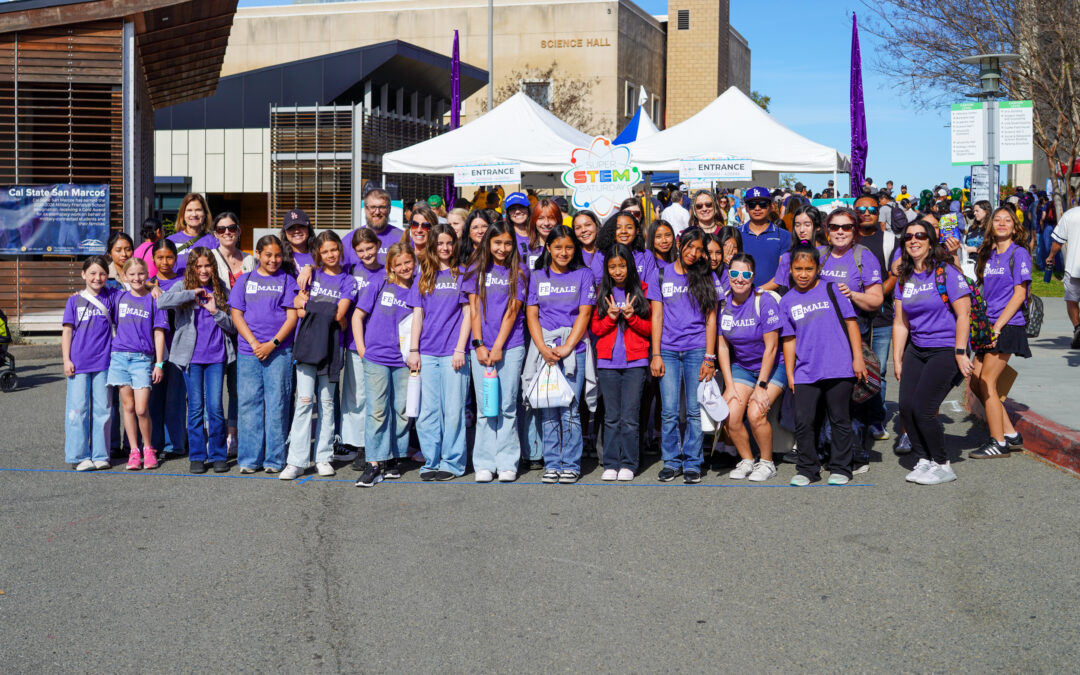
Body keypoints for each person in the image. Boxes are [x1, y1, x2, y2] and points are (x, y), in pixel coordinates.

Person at [892, 220, 973, 484]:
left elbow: (964, 314)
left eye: (920, 235)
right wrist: (898, 359)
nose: (913, 240)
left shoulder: (946, 272)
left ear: (930, 241)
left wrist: (960, 352)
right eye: (908, 237)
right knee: (906, 408)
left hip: (946, 348)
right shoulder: (904, 277)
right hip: (917, 349)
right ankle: (924, 459)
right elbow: (900, 323)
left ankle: (942, 464)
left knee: (924, 409)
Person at [780, 242, 867, 486]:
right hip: (805, 370)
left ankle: (841, 467)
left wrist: (857, 358)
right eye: (798, 269)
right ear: (790, 270)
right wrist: (790, 373)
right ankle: (807, 468)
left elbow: (851, 323)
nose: (803, 274)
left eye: (809, 269)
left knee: (839, 419)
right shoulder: (786, 301)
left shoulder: (833, 289)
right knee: (803, 421)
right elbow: (789, 339)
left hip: (838, 365)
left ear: (817, 268)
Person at [524, 225, 596, 484]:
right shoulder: (537, 276)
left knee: (570, 409)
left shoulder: (584, 274)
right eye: (558, 247)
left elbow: (585, 313)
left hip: (574, 350)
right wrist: (543, 348)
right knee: (548, 409)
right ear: (548, 248)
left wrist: (567, 348)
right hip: (544, 350)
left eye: (568, 247)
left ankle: (571, 464)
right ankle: (552, 463)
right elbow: (532, 314)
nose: (563, 252)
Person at [280, 232, 356, 480]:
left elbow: (338, 314)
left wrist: (310, 307)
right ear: (318, 254)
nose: (330, 255)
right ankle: (296, 461)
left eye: (334, 249)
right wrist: (320, 308)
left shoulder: (348, 280)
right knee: (303, 402)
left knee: (326, 403)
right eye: (325, 251)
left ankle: (323, 457)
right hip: (306, 345)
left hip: (332, 347)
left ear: (340, 250)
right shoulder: (311, 275)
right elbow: (297, 307)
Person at [646, 228, 718, 484]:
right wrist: (656, 353)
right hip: (667, 350)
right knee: (669, 411)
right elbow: (657, 316)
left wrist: (709, 357)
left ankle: (693, 462)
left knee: (694, 411)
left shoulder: (706, 275)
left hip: (696, 349)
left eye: (699, 250)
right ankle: (671, 461)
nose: (693, 253)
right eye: (689, 247)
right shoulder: (660, 274)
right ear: (679, 244)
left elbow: (711, 319)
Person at [158, 247, 236, 474]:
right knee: (195, 408)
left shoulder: (221, 289)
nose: (203, 270)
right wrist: (191, 293)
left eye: (207, 265)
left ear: (213, 266)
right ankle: (197, 455)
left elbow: (232, 326)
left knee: (215, 408)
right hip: (191, 359)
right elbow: (162, 301)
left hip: (216, 357)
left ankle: (218, 454)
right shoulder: (182, 286)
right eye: (198, 266)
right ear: (192, 267)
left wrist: (215, 311)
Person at [405, 224, 472, 481]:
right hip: (427, 353)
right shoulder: (424, 275)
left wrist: (460, 349)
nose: (445, 248)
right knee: (427, 412)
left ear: (455, 245)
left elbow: (468, 313)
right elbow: (418, 314)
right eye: (440, 243)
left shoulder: (462, 274)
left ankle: (452, 463)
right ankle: (431, 461)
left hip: (453, 353)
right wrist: (414, 350)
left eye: (449, 243)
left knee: (453, 411)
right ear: (432, 246)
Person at [464, 221, 528, 482]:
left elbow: (512, 311)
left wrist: (498, 346)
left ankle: (506, 462)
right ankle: (484, 462)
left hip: (510, 347)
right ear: (488, 243)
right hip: (481, 348)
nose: (502, 248)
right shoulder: (475, 269)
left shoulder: (519, 271)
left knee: (507, 405)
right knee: (485, 407)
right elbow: (474, 309)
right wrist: (479, 344)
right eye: (497, 242)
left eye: (508, 243)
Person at [230, 235, 299, 474]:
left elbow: (292, 317)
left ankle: (275, 459)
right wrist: (254, 343)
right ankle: (250, 459)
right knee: (249, 403)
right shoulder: (245, 280)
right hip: (249, 352)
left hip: (279, 351)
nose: (273, 259)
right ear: (258, 254)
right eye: (268, 254)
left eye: (278, 255)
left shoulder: (287, 280)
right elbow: (237, 314)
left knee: (277, 403)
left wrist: (272, 343)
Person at [969, 207, 1033, 458]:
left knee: (987, 382)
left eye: (1008, 220)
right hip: (987, 325)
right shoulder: (989, 254)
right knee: (976, 380)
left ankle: (998, 443)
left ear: (1015, 227)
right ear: (991, 225)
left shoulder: (1019, 254)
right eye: (998, 219)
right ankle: (1011, 434)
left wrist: (997, 328)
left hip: (1007, 325)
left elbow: (1020, 294)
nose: (1002, 223)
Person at [352, 242, 417, 487]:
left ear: (414, 262)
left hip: (402, 361)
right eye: (398, 264)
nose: (404, 267)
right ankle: (373, 462)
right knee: (377, 411)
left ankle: (393, 458)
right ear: (391, 266)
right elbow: (358, 316)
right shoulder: (380, 283)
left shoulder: (418, 288)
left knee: (401, 410)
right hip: (376, 358)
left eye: (408, 262)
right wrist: (362, 350)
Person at [716, 253, 785, 482]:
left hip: (772, 367)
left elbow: (772, 348)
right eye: (734, 273)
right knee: (730, 413)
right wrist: (729, 386)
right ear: (728, 275)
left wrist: (761, 386)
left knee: (755, 412)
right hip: (743, 367)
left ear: (753, 277)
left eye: (745, 274)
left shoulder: (763, 301)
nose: (739, 278)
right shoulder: (722, 303)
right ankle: (747, 459)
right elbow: (722, 347)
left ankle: (767, 463)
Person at [591, 243, 651, 481]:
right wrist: (610, 318)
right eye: (612, 266)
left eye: (622, 266)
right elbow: (595, 328)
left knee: (630, 417)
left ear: (630, 266)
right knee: (611, 417)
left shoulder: (643, 290)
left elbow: (651, 328)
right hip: (607, 363)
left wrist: (632, 318)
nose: (617, 271)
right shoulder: (601, 292)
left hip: (635, 363)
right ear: (607, 268)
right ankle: (611, 462)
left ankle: (628, 462)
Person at [106, 258, 167, 471]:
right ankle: (134, 450)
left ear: (147, 275)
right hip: (119, 357)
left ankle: (148, 448)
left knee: (141, 409)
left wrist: (159, 363)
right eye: (131, 274)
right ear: (124, 276)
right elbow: (96, 292)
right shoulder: (119, 297)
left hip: (142, 360)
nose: (136, 278)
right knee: (129, 407)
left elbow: (159, 333)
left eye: (141, 274)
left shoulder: (154, 299)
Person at [62, 256, 118, 471]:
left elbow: (135, 288)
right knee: (77, 411)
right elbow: (67, 332)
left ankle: (100, 455)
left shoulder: (112, 296)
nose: (97, 277)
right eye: (92, 273)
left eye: (102, 273)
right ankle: (79, 456)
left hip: (104, 362)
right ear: (83, 274)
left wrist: (153, 287)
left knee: (103, 410)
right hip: (78, 363)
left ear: (107, 276)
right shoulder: (73, 301)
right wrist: (66, 359)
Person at [852, 196, 898, 443]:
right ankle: (854, 419)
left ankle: (875, 420)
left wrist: (874, 297)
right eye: (861, 209)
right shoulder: (847, 237)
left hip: (881, 316)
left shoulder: (889, 240)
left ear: (878, 213)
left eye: (872, 209)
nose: (867, 212)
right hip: (850, 319)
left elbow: (895, 275)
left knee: (877, 370)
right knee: (851, 370)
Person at [210, 212, 255, 452]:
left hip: (244, 331)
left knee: (238, 389)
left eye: (232, 228)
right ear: (215, 233)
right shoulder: (209, 258)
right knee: (214, 390)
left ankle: (233, 434)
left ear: (238, 231)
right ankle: (214, 435)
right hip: (216, 331)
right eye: (222, 229)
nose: (227, 232)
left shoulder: (250, 260)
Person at [338, 228, 384, 466]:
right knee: (356, 395)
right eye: (360, 250)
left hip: (380, 343)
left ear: (378, 246)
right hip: (355, 343)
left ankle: (374, 443)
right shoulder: (351, 271)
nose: (366, 254)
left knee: (376, 397)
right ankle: (357, 444)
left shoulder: (388, 272)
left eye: (369, 248)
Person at [147, 239, 187, 459]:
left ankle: (175, 444)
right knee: (154, 397)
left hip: (179, 346)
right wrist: (149, 286)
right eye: (160, 257)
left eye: (169, 257)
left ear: (176, 258)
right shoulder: (146, 283)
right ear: (153, 259)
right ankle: (154, 442)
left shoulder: (183, 281)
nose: (165, 262)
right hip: (154, 348)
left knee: (176, 397)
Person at [762, 205, 826, 293]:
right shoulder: (788, 256)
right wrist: (753, 292)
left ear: (818, 227)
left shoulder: (830, 253)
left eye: (807, 225)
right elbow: (778, 281)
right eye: (797, 225)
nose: (801, 230)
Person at [739, 186, 791, 287]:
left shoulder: (784, 236)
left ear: (770, 207)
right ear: (746, 208)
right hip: (741, 293)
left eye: (762, 204)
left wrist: (758, 291)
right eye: (752, 205)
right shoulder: (736, 233)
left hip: (773, 294)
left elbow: (783, 273)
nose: (757, 208)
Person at [342, 188, 404, 266]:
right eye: (373, 207)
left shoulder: (402, 238)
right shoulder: (349, 240)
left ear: (389, 209)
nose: (377, 212)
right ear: (365, 209)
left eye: (382, 207)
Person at [1047, 205, 1080, 348]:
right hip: (1073, 266)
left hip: (1074, 266)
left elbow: (1058, 242)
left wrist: (1051, 256)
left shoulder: (1070, 215)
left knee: (1072, 300)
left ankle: (1078, 328)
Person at [168, 193, 217, 272]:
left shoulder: (213, 242)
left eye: (198, 210)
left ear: (205, 214)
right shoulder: (170, 241)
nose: (194, 214)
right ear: (183, 214)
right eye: (189, 210)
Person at [525, 198, 561, 270]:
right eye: (541, 218)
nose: (546, 223)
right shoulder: (525, 248)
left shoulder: (566, 248)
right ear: (534, 221)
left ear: (558, 220)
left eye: (551, 218)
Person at [279, 208, 316, 277]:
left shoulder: (320, 252)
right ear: (285, 232)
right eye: (291, 228)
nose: (296, 231)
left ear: (308, 229)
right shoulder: (278, 256)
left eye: (301, 226)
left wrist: (311, 267)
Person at [573, 210, 603, 281]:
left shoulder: (608, 251)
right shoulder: (572, 255)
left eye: (588, 225)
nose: (583, 230)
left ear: (596, 225)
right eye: (578, 228)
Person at [503, 191, 532, 258]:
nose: (517, 211)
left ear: (528, 209)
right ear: (508, 213)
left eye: (521, 207)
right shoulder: (504, 234)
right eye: (512, 209)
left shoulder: (538, 232)